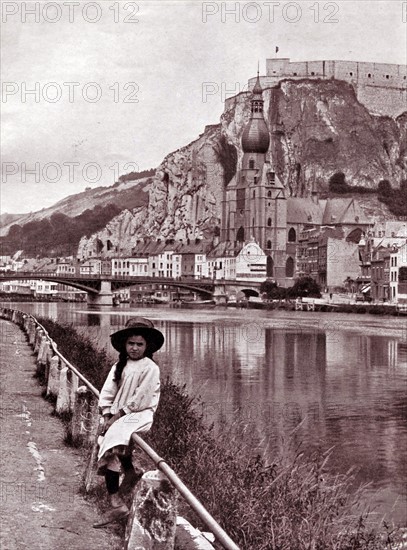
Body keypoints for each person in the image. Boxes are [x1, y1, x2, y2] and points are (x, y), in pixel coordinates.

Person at [93, 317, 164, 528]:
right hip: (118, 412)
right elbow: (108, 391)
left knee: (113, 441)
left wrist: (116, 417)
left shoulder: (150, 368)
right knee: (107, 439)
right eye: (131, 344)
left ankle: (116, 502)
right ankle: (130, 473)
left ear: (147, 346)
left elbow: (141, 398)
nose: (134, 348)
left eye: (139, 344)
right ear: (125, 345)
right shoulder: (119, 365)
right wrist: (107, 413)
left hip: (139, 413)